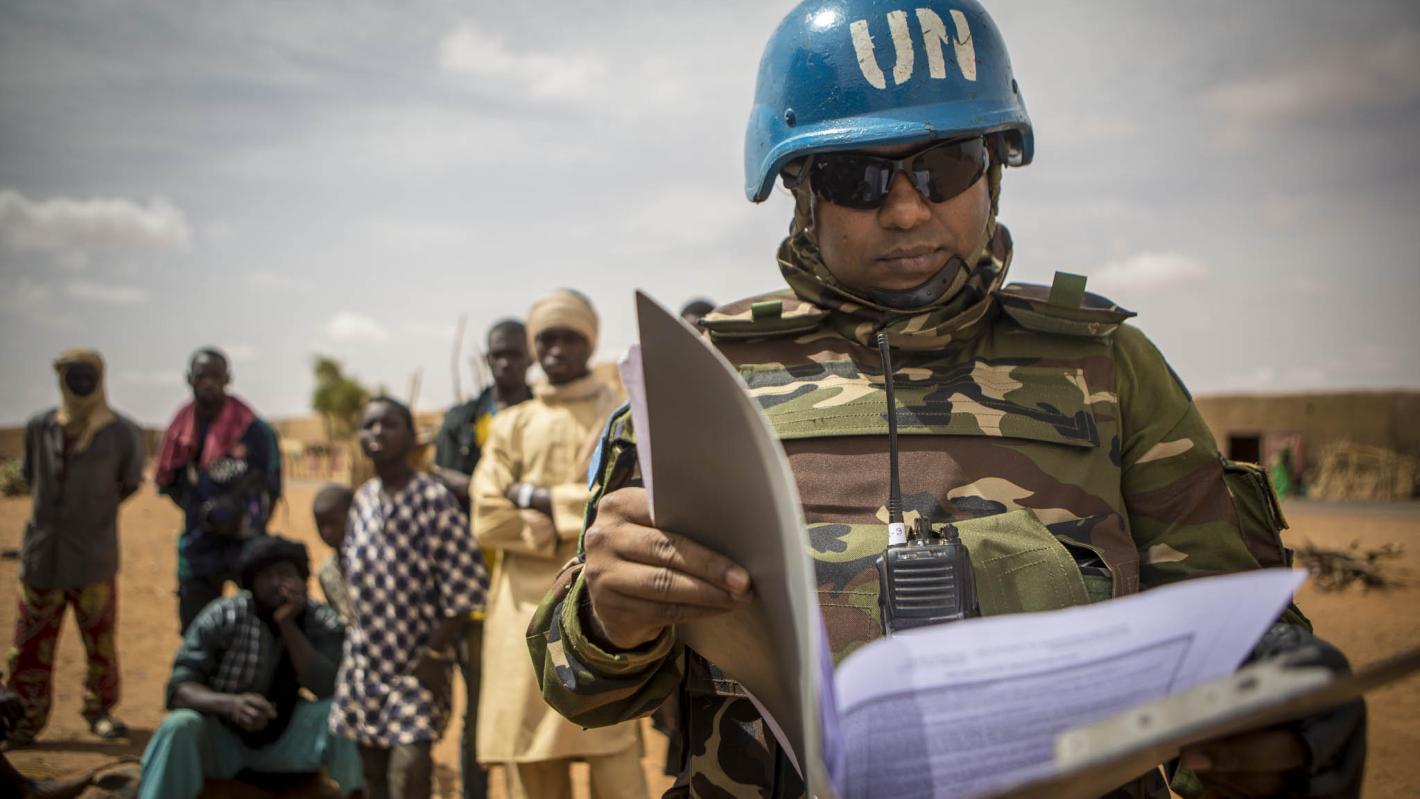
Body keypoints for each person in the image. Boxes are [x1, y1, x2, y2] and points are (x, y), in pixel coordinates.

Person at [527, 2, 1366, 797]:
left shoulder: (1109, 369)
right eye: (857, 176)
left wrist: (1280, 716)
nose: (905, 210)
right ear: (801, 191)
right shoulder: (705, 384)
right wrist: (606, 618)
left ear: (994, 168)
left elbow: (1231, 633)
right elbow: (580, 687)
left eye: (945, 165)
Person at [471, 290, 644, 799]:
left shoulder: (622, 418)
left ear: (590, 343)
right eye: (547, 338)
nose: (557, 349)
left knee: (615, 757)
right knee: (533, 765)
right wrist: (568, 522)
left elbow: (631, 503)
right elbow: (486, 516)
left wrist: (539, 500)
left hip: (599, 607)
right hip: (521, 618)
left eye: (570, 338)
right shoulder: (511, 423)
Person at [331, 396, 490, 799]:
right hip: (365, 665)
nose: (378, 432)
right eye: (369, 425)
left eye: (389, 424)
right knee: (374, 778)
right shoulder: (363, 500)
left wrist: (433, 655)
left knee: (410, 772)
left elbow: (467, 588)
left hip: (416, 669)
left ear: (410, 436)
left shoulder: (433, 500)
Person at [139, 535, 361, 798]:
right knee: (179, 725)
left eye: (285, 574)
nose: (277, 583)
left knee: (345, 712)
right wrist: (231, 705)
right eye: (266, 576)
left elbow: (328, 687)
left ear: (302, 578)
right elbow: (179, 690)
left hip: (287, 740)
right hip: (223, 740)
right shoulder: (224, 615)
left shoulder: (320, 619)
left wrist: (287, 624)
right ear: (251, 582)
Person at [6, 349, 143, 747]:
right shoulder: (40, 427)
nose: (80, 383)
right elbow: (30, 475)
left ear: (100, 379)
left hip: (93, 558)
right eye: (72, 376)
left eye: (87, 376)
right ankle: (23, 718)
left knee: (99, 642)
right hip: (42, 557)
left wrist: (93, 512)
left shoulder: (122, 432)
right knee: (29, 644)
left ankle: (99, 710)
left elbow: (130, 482)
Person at [431, 318, 532, 799]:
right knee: (479, 704)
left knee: (528, 702)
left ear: (529, 357)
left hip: (531, 585)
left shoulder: (545, 415)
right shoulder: (462, 421)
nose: (506, 362)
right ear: (487, 359)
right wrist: (501, 495)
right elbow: (440, 486)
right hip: (472, 588)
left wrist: (474, 490)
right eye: (498, 355)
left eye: (515, 353)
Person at [155, 347, 283, 632]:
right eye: (202, 376)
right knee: (197, 629)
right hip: (198, 545)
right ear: (190, 379)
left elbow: (273, 487)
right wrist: (203, 511)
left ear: (228, 379)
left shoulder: (255, 430)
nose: (209, 383)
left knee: (262, 625)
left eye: (216, 376)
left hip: (247, 543)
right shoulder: (178, 432)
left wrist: (246, 519)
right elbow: (170, 484)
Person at [313, 484, 354, 623]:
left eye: (333, 523)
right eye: (321, 525)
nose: (327, 532)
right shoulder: (326, 573)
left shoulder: (375, 562)